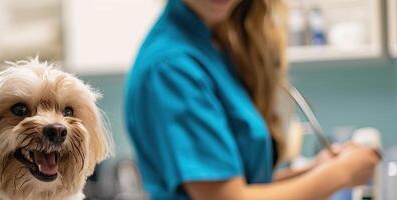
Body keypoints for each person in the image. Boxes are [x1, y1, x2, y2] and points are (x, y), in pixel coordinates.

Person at [124, 0, 381, 199]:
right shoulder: (171, 67)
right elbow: (226, 198)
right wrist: (341, 173)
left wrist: (315, 170)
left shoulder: (209, 46)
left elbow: (244, 185)